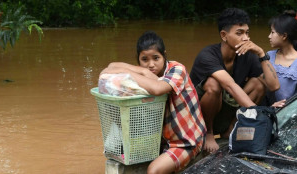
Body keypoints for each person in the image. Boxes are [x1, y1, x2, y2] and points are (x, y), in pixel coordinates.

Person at [100, 31, 206, 174]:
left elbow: (158, 88)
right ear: (138, 60)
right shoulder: (143, 74)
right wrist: (141, 72)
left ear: (164, 55)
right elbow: (109, 68)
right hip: (162, 140)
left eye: (156, 58)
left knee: (153, 171)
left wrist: (132, 74)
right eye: (144, 59)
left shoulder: (177, 69)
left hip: (186, 141)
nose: (151, 65)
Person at [189, 8, 280, 153]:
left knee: (258, 84)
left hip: (227, 113)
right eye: (239, 33)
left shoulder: (247, 55)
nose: (246, 38)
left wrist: (261, 53)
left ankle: (231, 130)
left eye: (247, 33)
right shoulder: (207, 55)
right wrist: (258, 114)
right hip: (200, 117)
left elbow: (274, 86)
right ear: (224, 35)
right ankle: (209, 133)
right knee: (213, 84)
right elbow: (230, 85)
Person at [265, 10, 297, 108]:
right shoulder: (268, 55)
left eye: (272, 32)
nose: (269, 36)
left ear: (284, 36)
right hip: (268, 109)